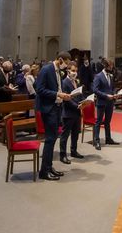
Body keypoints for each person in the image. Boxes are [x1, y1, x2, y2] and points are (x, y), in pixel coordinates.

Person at [36, 52, 72, 180]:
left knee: (53, 139)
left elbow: (58, 88)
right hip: (48, 109)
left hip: (57, 108)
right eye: (66, 63)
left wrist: (64, 95)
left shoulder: (58, 72)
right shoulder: (46, 69)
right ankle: (44, 171)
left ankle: (49, 167)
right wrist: (57, 94)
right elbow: (39, 89)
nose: (66, 66)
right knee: (50, 140)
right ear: (60, 59)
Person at [59, 61, 84, 164]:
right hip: (68, 113)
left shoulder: (76, 82)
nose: (75, 73)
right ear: (68, 71)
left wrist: (85, 101)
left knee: (75, 134)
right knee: (65, 135)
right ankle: (63, 155)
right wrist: (77, 106)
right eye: (73, 71)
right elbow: (66, 99)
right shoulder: (64, 82)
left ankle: (73, 151)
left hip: (77, 113)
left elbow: (79, 95)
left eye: (76, 71)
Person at [92, 58, 120, 150]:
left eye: (112, 66)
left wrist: (114, 94)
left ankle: (108, 138)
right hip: (102, 102)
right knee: (98, 122)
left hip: (110, 102)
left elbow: (112, 88)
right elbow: (95, 90)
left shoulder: (111, 76)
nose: (112, 67)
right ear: (105, 66)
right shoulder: (98, 76)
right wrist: (106, 95)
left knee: (107, 122)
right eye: (110, 66)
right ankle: (96, 140)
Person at [0, 61, 15, 130]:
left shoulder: (10, 74)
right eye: (7, 69)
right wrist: (2, 89)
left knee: (8, 114)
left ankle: (7, 130)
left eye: (9, 69)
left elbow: (12, 83)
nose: (8, 71)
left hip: (8, 97)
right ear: (3, 67)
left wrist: (11, 86)